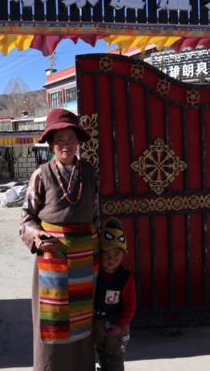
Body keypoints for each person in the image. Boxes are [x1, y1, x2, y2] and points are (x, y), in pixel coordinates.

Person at [19, 108, 99, 371]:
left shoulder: (88, 172)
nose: (66, 145)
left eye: (71, 140)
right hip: (52, 259)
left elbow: (97, 213)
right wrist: (38, 237)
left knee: (83, 322)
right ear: (52, 144)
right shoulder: (40, 175)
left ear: (78, 143)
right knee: (52, 324)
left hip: (85, 261)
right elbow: (26, 220)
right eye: (60, 140)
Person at [94, 217, 136, 371]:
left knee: (115, 358)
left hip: (116, 326)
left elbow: (130, 305)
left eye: (117, 256)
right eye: (107, 255)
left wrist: (121, 325)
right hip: (98, 324)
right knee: (102, 355)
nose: (111, 260)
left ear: (123, 255)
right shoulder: (95, 274)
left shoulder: (125, 277)